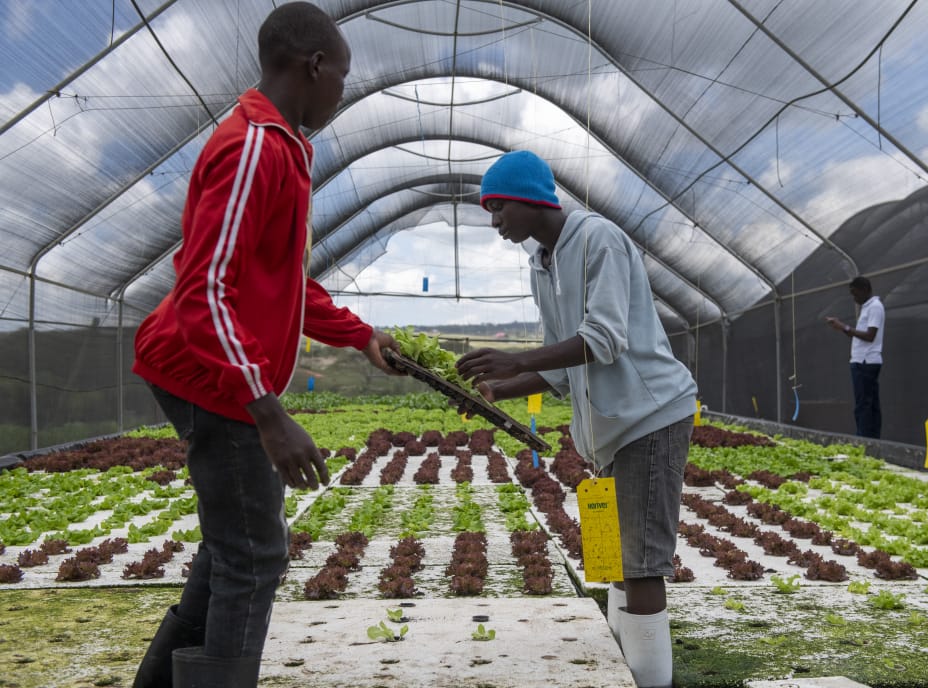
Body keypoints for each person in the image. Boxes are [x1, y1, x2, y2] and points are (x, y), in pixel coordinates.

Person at [130, 4, 399, 686]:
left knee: (233, 552)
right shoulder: (255, 145)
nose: (343, 88)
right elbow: (204, 290)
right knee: (254, 556)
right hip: (206, 373)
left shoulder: (283, 146)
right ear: (313, 66)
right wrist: (267, 409)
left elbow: (279, 282)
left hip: (211, 367)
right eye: (341, 74)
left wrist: (362, 336)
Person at [456, 150, 697, 688]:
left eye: (499, 209)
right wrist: (497, 390)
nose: (495, 222)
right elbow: (563, 371)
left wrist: (517, 357)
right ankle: (623, 658)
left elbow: (604, 341)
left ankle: (650, 679)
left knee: (640, 561)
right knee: (613, 553)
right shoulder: (542, 263)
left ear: (530, 199)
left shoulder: (598, 239)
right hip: (607, 433)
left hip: (649, 417)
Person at [825, 276, 884, 438]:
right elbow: (861, 336)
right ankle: (873, 440)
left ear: (865, 290)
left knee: (863, 405)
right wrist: (842, 327)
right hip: (862, 361)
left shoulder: (875, 307)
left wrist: (844, 326)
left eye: (855, 294)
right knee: (869, 403)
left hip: (866, 362)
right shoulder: (867, 307)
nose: (854, 298)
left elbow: (870, 336)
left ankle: (864, 441)